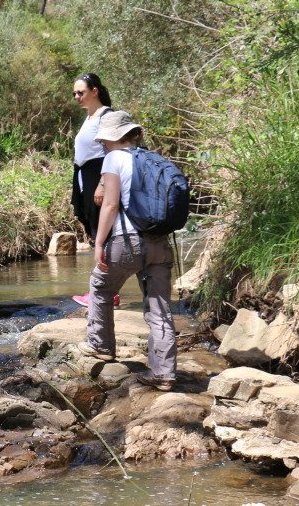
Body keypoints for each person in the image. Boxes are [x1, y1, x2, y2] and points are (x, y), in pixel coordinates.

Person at [76, 110, 177, 391]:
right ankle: (164, 374)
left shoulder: (113, 158)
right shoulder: (154, 159)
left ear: (112, 137)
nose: (102, 145)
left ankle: (102, 346)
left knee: (100, 287)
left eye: (104, 140)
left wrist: (98, 243)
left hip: (127, 241)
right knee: (160, 308)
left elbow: (109, 205)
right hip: (160, 243)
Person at [70, 73, 118, 307]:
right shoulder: (89, 117)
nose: (77, 97)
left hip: (98, 178)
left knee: (103, 233)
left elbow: (111, 152)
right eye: (75, 94)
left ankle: (106, 292)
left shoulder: (105, 116)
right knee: (94, 230)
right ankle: (105, 291)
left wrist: (101, 184)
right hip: (83, 178)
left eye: (81, 92)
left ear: (95, 91)